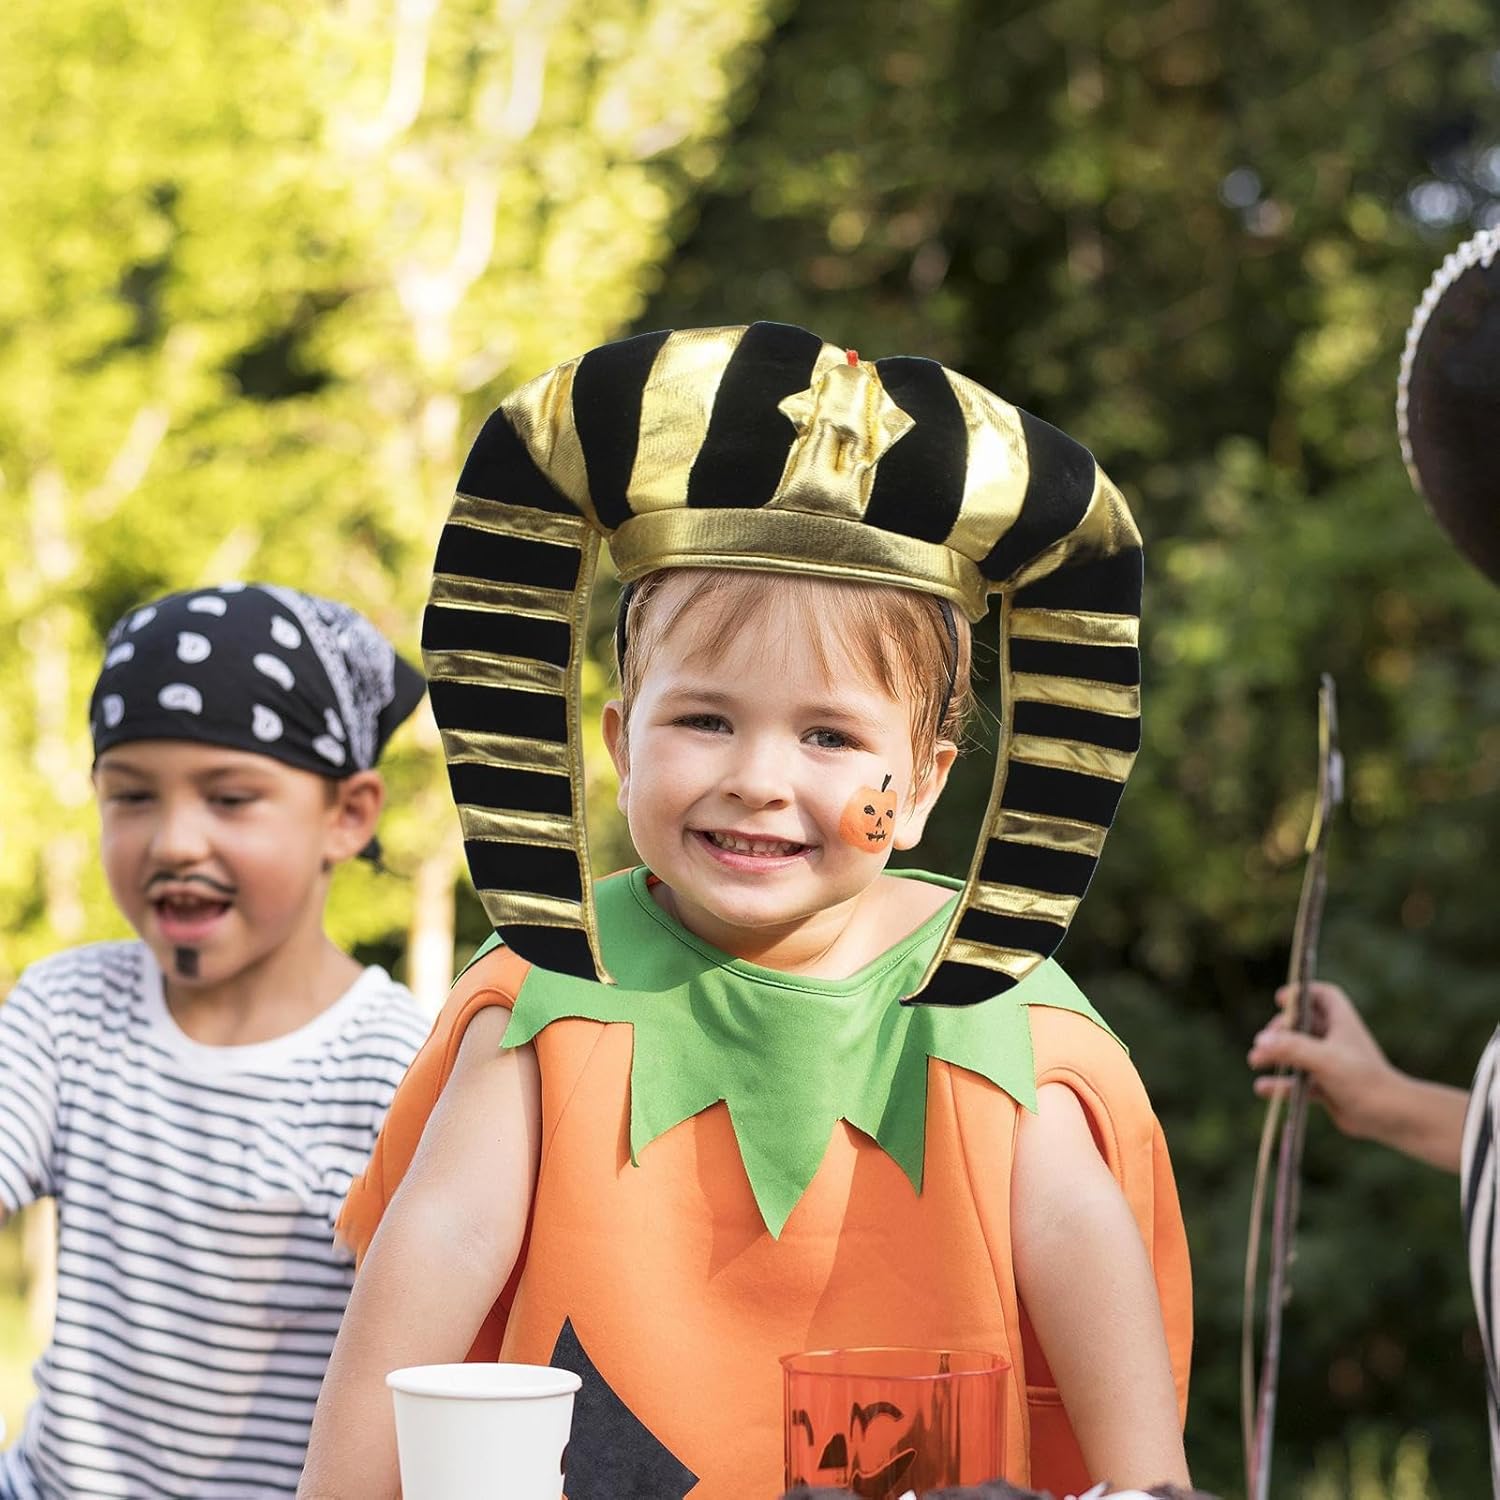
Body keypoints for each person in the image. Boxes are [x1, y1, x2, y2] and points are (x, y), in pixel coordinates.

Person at [298, 322, 1194, 1499]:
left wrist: (1150, 1487)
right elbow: (440, 1245)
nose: (760, 779)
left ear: (923, 788)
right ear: (622, 743)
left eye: (829, 736)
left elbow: (1078, 1238)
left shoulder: (989, 1000)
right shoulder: (558, 984)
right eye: (705, 720)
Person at [0, 583, 432, 1500]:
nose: (173, 841)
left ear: (348, 815)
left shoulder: (401, 1070)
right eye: (131, 796)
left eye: (230, 798)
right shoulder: (67, 1012)